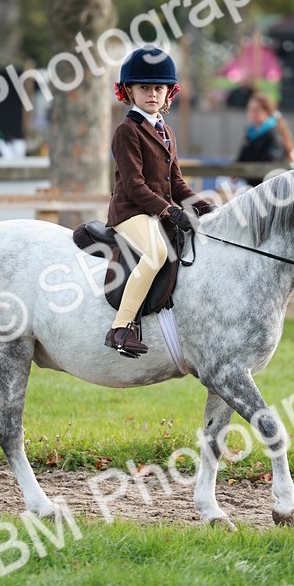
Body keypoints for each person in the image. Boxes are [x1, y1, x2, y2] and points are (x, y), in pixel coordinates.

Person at [105, 46, 214, 357]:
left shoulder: (166, 130)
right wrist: (170, 211)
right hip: (131, 211)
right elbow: (135, 186)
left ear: (169, 93)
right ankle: (120, 327)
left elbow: (176, 182)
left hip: (157, 212)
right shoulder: (127, 131)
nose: (152, 94)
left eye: (158, 88)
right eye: (144, 87)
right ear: (129, 91)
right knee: (155, 253)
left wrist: (202, 205)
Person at [236, 91, 294, 187]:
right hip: (252, 188)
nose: (252, 113)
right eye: (250, 109)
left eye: (256, 110)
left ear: (266, 112)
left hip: (269, 188)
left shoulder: (274, 135)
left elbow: (271, 164)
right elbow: (241, 159)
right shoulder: (250, 134)